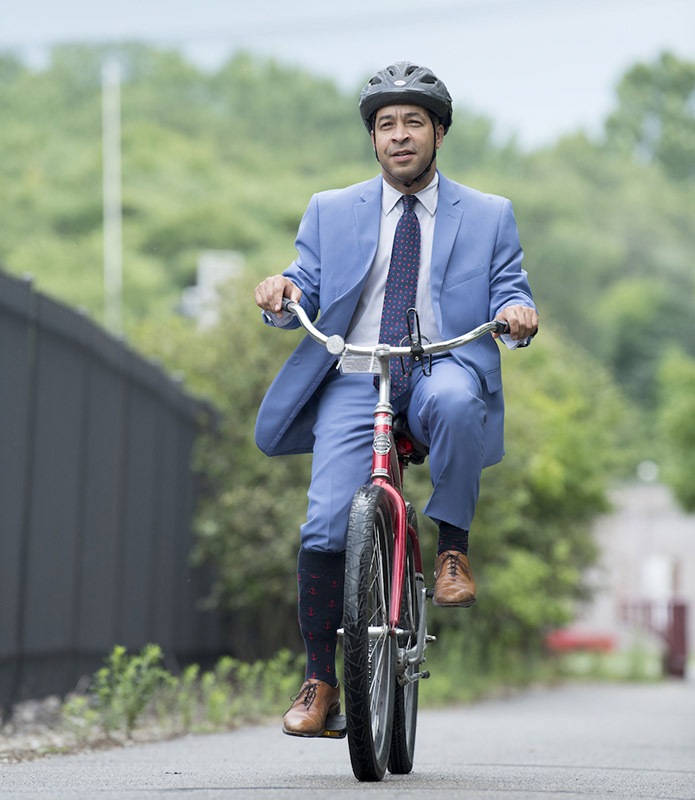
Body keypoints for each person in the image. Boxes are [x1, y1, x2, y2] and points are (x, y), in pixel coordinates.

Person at [254, 61, 538, 737]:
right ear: (373, 139)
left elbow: (508, 287)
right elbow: (305, 283)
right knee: (325, 523)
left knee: (457, 402)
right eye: (386, 125)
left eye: (413, 122)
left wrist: (519, 310)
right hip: (357, 373)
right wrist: (281, 294)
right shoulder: (330, 209)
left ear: (438, 133)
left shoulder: (489, 214)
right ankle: (322, 681)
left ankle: (451, 552)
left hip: (443, 363)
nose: (399, 135)